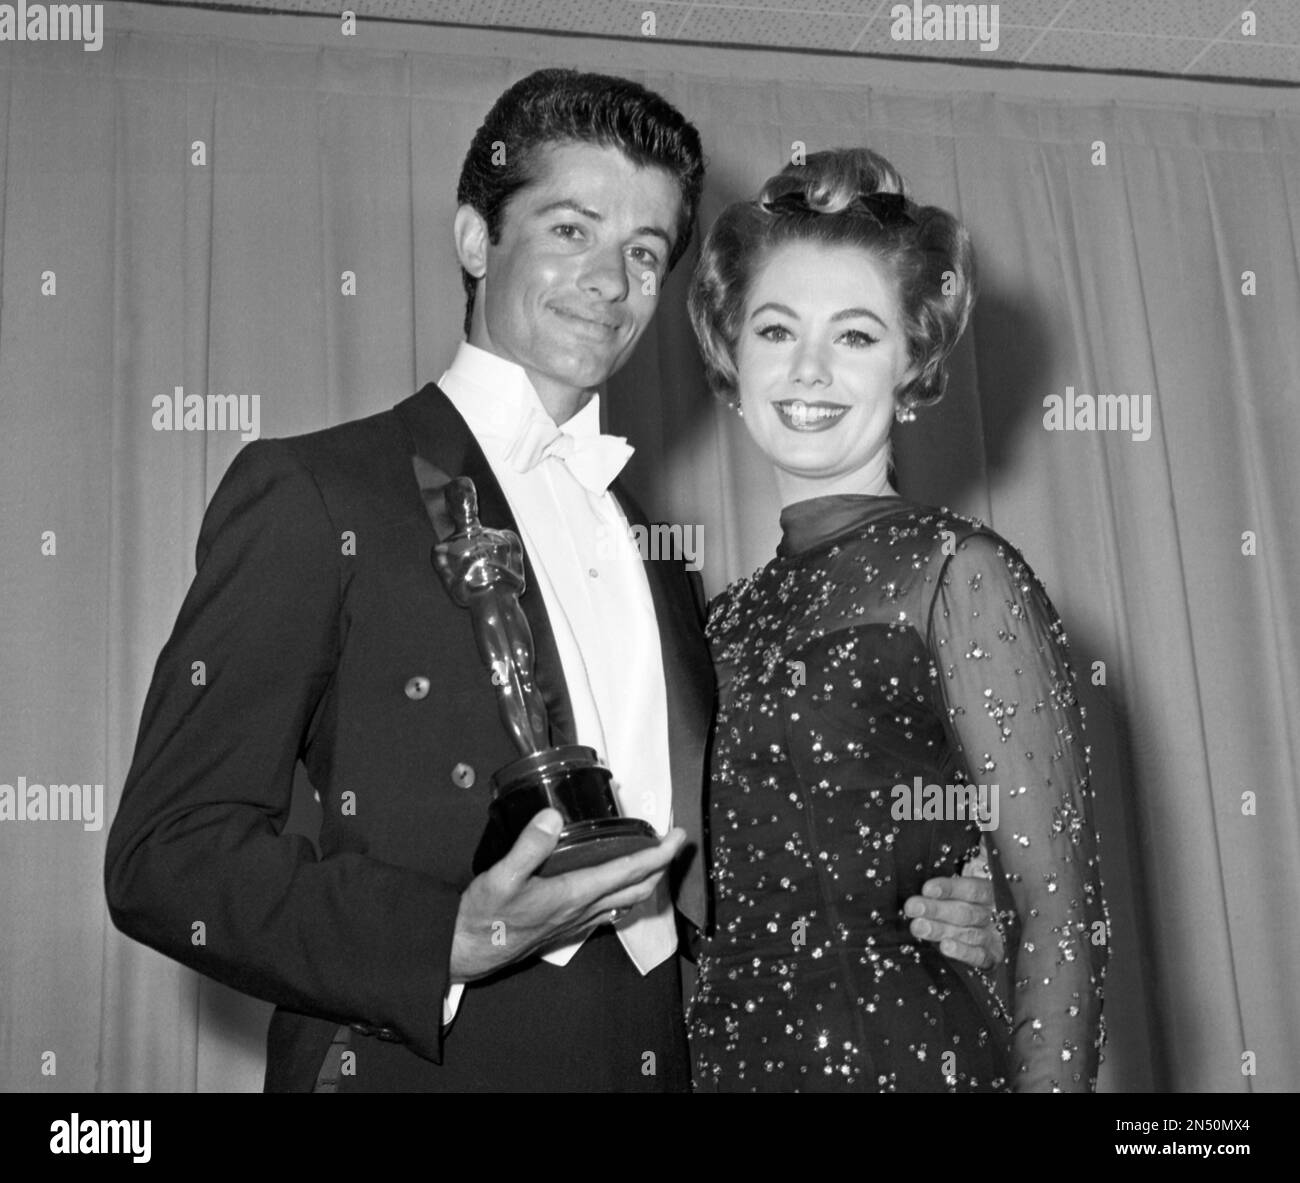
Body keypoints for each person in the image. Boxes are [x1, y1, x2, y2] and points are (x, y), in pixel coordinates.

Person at [105, 71, 1003, 1093]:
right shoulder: (319, 493)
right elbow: (166, 856)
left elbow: (720, 860)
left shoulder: (657, 558)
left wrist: (925, 903)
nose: (610, 281)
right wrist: (451, 932)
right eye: (571, 230)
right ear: (475, 239)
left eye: (644, 251)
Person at [685, 148, 1108, 1091]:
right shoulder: (716, 625)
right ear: (731, 352)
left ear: (913, 357)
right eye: (776, 328)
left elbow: (1058, 909)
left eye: (856, 336)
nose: (808, 369)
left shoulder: (957, 573)